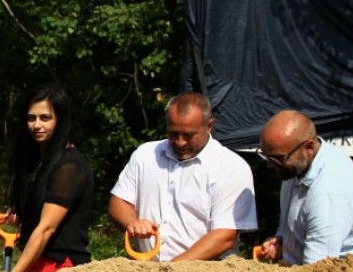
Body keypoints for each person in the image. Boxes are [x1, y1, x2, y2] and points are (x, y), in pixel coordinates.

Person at [108, 91, 257, 261]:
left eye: (188, 135)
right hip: (148, 271)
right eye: (173, 133)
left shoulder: (231, 167)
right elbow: (118, 202)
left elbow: (225, 236)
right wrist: (132, 222)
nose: (180, 141)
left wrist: (173, 269)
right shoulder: (145, 155)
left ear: (209, 126)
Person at [257, 110, 353, 265]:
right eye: (266, 156)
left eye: (278, 158)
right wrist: (281, 239)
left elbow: (317, 271)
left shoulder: (330, 189)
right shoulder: (297, 165)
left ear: (309, 147)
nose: (270, 165)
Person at [3, 84, 93, 272]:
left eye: (45, 118)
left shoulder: (70, 166)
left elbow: (46, 229)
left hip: (59, 268)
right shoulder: (39, 161)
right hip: (36, 260)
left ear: (60, 121)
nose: (37, 125)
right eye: (31, 118)